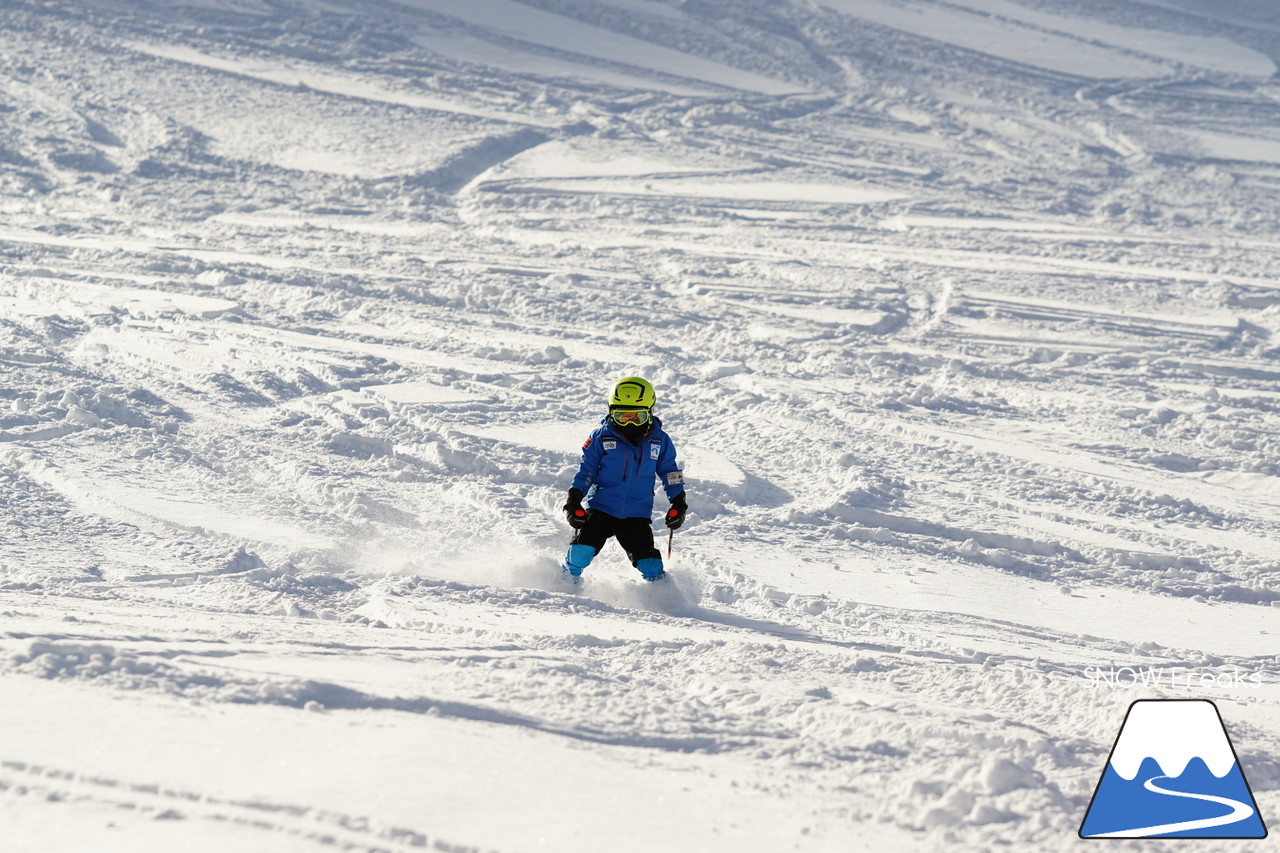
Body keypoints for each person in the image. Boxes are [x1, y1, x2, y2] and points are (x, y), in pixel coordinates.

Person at [561, 376, 687, 583]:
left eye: (636, 417)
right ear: (611, 412)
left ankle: (664, 597)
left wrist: (678, 501)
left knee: (651, 565)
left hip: (636, 513)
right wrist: (574, 499)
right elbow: (587, 470)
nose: (628, 423)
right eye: (621, 416)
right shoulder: (602, 437)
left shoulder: (659, 440)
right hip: (602, 507)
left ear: (649, 412)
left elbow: (669, 472)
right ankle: (562, 582)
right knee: (580, 553)